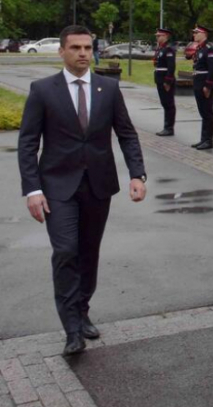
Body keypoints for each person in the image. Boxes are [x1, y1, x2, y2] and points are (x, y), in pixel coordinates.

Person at [18, 25, 147, 356]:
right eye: (75, 48)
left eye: (88, 48)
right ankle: (71, 328)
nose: (82, 53)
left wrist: (137, 175)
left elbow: (127, 134)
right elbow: (28, 142)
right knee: (65, 252)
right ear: (61, 51)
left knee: (89, 253)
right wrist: (32, 189)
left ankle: (83, 309)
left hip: (98, 185)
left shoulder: (108, 87)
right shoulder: (43, 90)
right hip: (57, 187)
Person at [190, 25, 213, 150]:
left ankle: (208, 140)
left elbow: (212, 69)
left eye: (197, 33)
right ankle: (203, 139)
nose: (194, 35)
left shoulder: (209, 49)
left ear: (204, 34)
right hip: (198, 82)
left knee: (207, 112)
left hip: (204, 83)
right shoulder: (200, 48)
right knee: (203, 112)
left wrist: (208, 85)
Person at [153, 28, 177, 137]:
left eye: (159, 36)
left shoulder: (168, 49)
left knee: (169, 104)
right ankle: (166, 126)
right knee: (165, 103)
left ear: (165, 36)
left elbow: (171, 66)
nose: (157, 38)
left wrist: (168, 81)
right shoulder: (161, 49)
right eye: (157, 36)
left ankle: (169, 128)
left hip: (165, 80)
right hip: (159, 79)